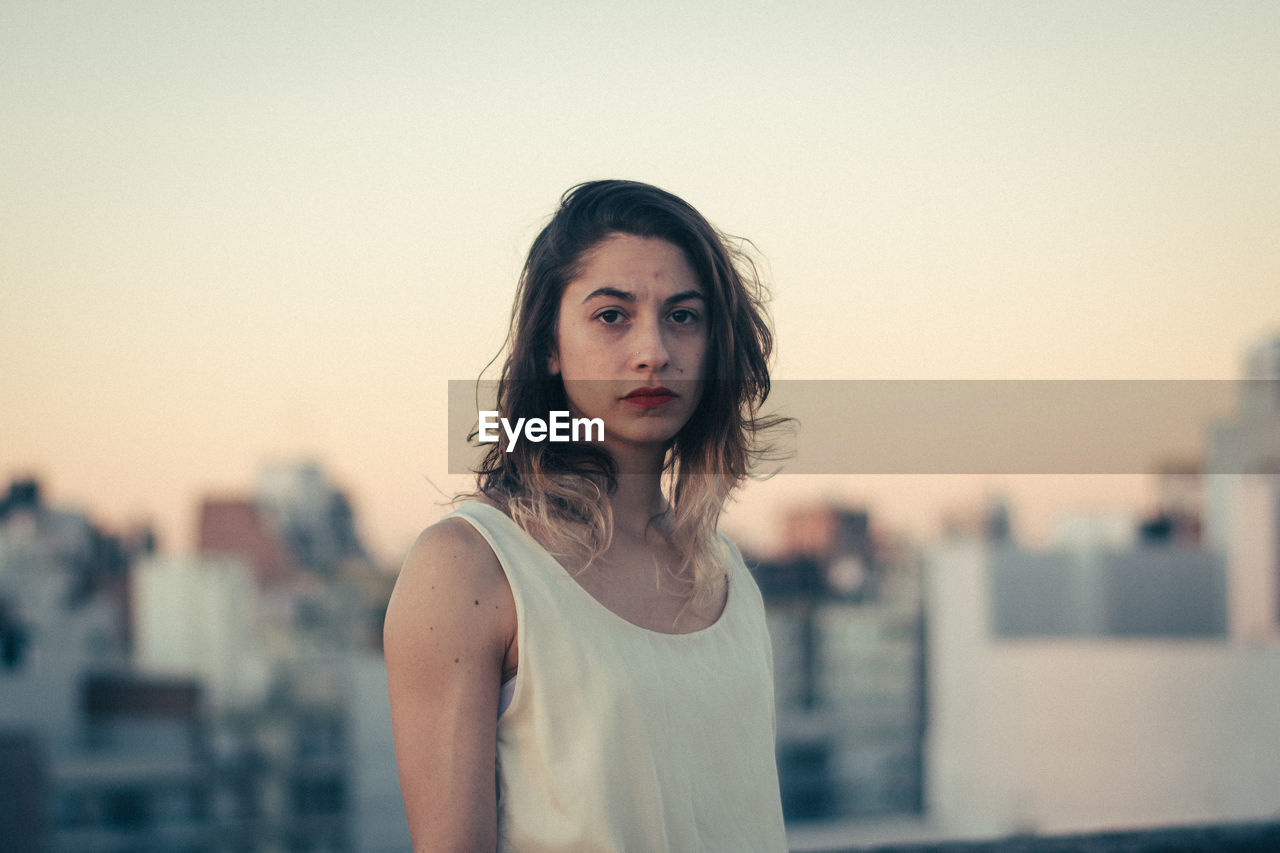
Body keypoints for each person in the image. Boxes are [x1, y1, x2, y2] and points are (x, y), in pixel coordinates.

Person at [384, 179, 789, 852]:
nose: (653, 350)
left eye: (684, 316)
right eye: (612, 315)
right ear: (550, 344)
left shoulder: (730, 572)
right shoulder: (467, 567)